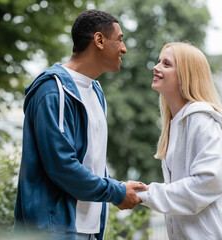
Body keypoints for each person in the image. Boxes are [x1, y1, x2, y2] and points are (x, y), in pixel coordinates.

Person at [13, 9, 147, 240]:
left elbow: (91, 163)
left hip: (90, 230)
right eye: (120, 40)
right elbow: (61, 166)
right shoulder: (53, 91)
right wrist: (116, 191)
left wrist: (118, 187)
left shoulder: (95, 91)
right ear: (99, 40)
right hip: (54, 231)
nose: (124, 49)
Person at [137, 42, 222, 239]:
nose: (156, 68)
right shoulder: (176, 124)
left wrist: (145, 195)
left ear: (185, 74)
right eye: (158, 62)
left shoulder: (201, 119)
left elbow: (209, 182)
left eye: (166, 64)